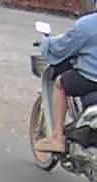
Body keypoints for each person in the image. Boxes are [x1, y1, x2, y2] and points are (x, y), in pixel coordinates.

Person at [36, 7, 97, 153]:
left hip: (90, 78)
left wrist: (46, 43)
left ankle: (57, 138)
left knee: (60, 84)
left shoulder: (88, 25)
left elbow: (62, 47)